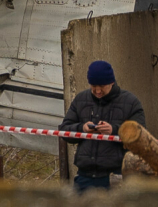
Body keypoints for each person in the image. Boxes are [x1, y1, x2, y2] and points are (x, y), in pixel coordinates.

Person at [59, 60, 145, 194]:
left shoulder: (131, 102)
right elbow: (64, 131)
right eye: (93, 86)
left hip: (116, 177)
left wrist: (114, 130)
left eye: (102, 86)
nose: (97, 91)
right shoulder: (81, 100)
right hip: (84, 177)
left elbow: (141, 136)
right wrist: (82, 129)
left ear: (112, 82)